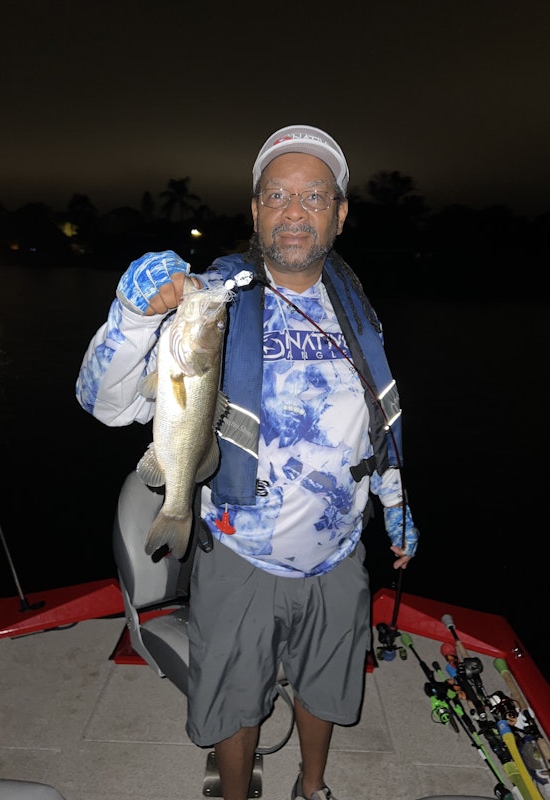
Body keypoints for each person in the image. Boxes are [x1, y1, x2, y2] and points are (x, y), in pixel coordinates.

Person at [76, 124, 420, 800]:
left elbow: (375, 419)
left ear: (339, 215)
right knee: (233, 701)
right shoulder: (210, 300)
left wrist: (396, 502)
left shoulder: (356, 306)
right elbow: (105, 404)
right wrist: (132, 316)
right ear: (256, 210)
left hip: (339, 553)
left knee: (326, 685)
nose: (294, 212)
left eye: (314, 196)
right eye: (277, 195)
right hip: (239, 552)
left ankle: (312, 786)